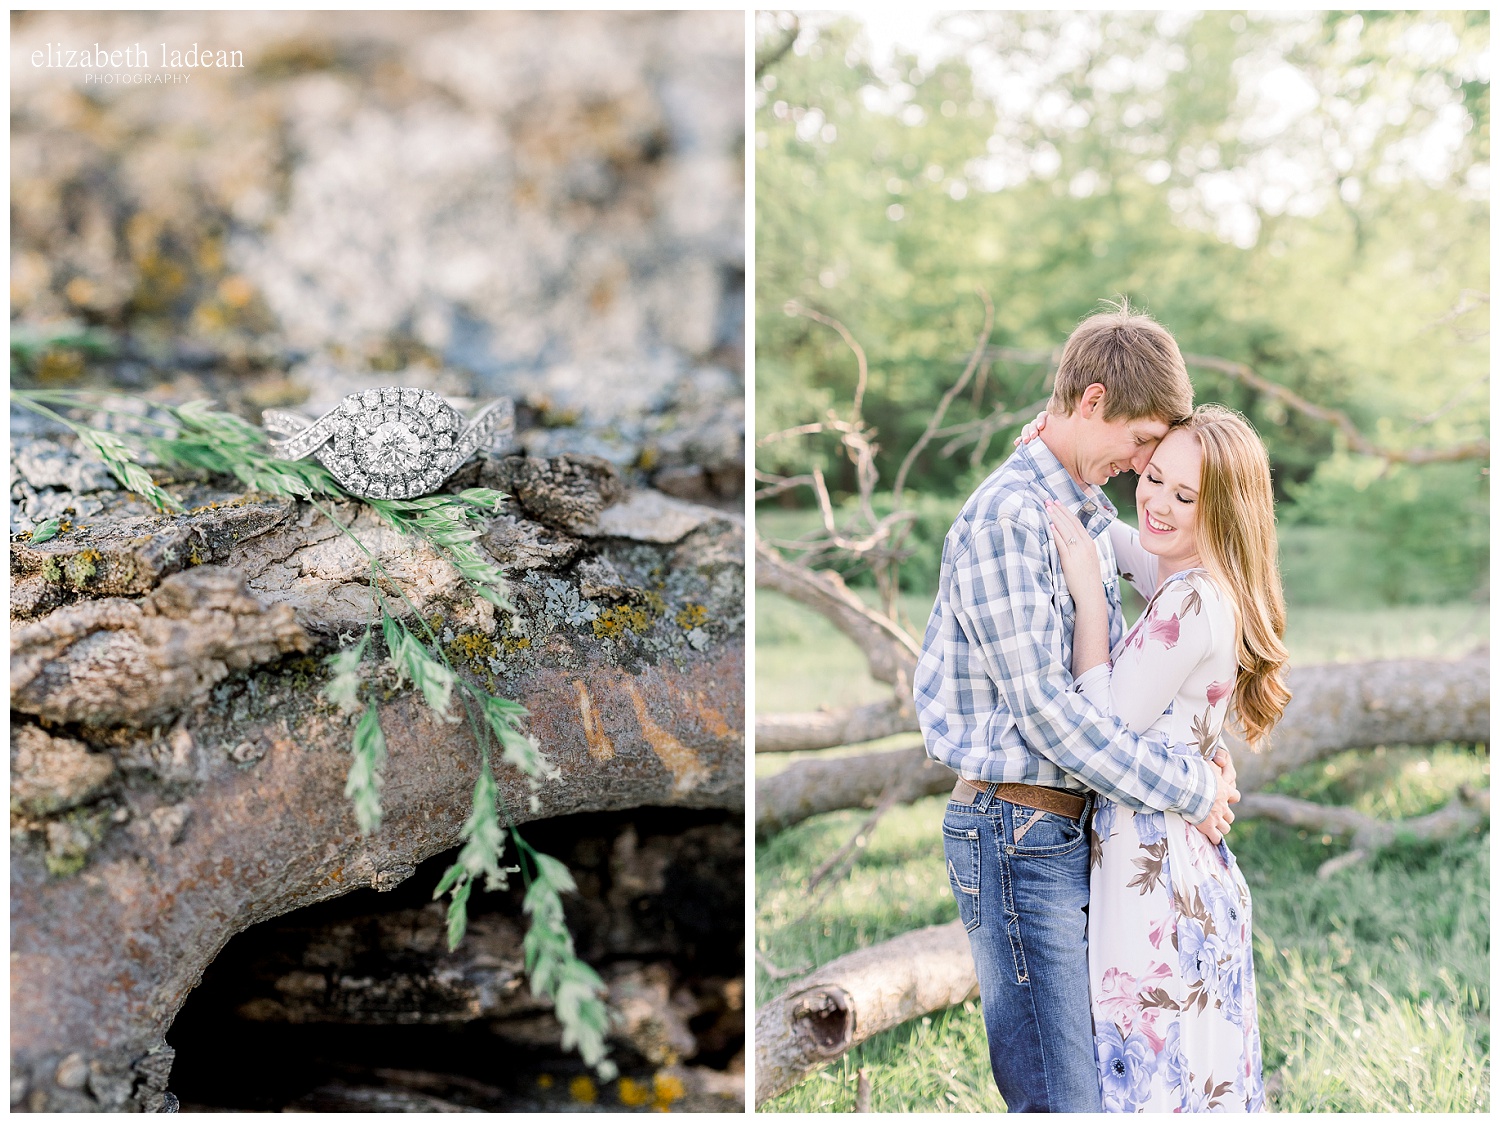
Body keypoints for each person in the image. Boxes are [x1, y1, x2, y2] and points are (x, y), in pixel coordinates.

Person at [914, 301, 1239, 1113]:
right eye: (1139, 444)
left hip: (1065, 826)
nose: (1142, 466)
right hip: (1014, 829)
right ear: (1092, 402)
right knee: (1063, 1100)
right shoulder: (1008, 518)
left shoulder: (1071, 505)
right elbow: (1052, 718)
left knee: (1091, 1088)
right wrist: (1190, 786)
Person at [1040, 404, 1290, 1112]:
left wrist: (1091, 595)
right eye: (1152, 478)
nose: (1158, 502)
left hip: (1157, 877)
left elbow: (1102, 724)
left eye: (1187, 496)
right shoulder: (1196, 575)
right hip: (1175, 861)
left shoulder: (1189, 599)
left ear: (1223, 511)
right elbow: (1113, 536)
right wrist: (1063, 446)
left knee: (1154, 1085)